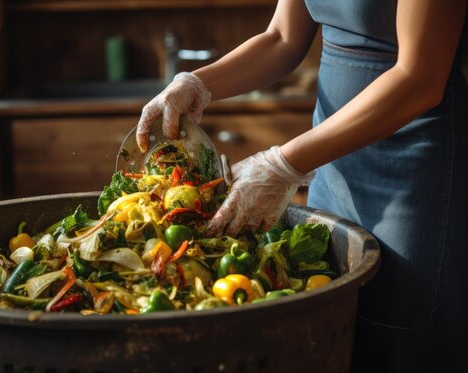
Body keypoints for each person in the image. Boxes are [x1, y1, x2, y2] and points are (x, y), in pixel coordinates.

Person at [136, 1, 468, 371]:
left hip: (411, 170)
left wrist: (284, 163)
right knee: (329, 325)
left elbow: (419, 77)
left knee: (396, 337)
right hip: (329, 159)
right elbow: (282, 38)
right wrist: (197, 83)